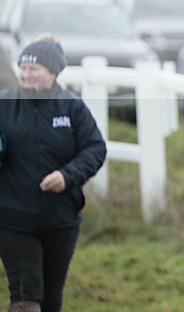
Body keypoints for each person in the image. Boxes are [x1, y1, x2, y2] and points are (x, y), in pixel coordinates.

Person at [0, 35, 107, 312]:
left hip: (61, 220)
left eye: (34, 69)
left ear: (53, 72)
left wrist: (67, 176)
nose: (26, 74)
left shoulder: (72, 108)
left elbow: (94, 148)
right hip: (12, 219)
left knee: (50, 296)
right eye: (23, 67)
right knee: (25, 297)